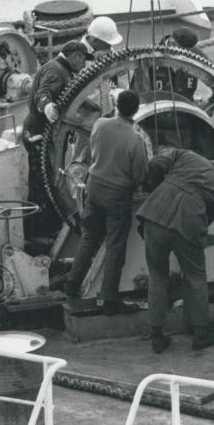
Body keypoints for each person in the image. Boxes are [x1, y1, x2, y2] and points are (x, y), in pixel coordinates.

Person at [64, 90, 148, 315]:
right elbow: (140, 176)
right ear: (136, 110)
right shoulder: (136, 139)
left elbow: (92, 152)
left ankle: (71, 285)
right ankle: (110, 299)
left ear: (116, 105)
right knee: (115, 246)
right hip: (117, 197)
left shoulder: (100, 124)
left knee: (89, 237)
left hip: (94, 188)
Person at [137, 147, 214, 354]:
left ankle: (157, 336)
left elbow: (154, 165)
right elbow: (206, 221)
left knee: (157, 276)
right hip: (188, 223)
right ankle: (200, 334)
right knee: (195, 277)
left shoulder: (188, 155)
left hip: (154, 213)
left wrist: (156, 188)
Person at [21, 40, 90, 203]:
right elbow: (43, 93)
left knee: (47, 178)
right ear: (76, 56)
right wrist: (47, 106)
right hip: (38, 133)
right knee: (42, 182)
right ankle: (41, 224)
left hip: (43, 132)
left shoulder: (62, 69)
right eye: (83, 59)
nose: (84, 64)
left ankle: (48, 218)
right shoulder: (56, 70)